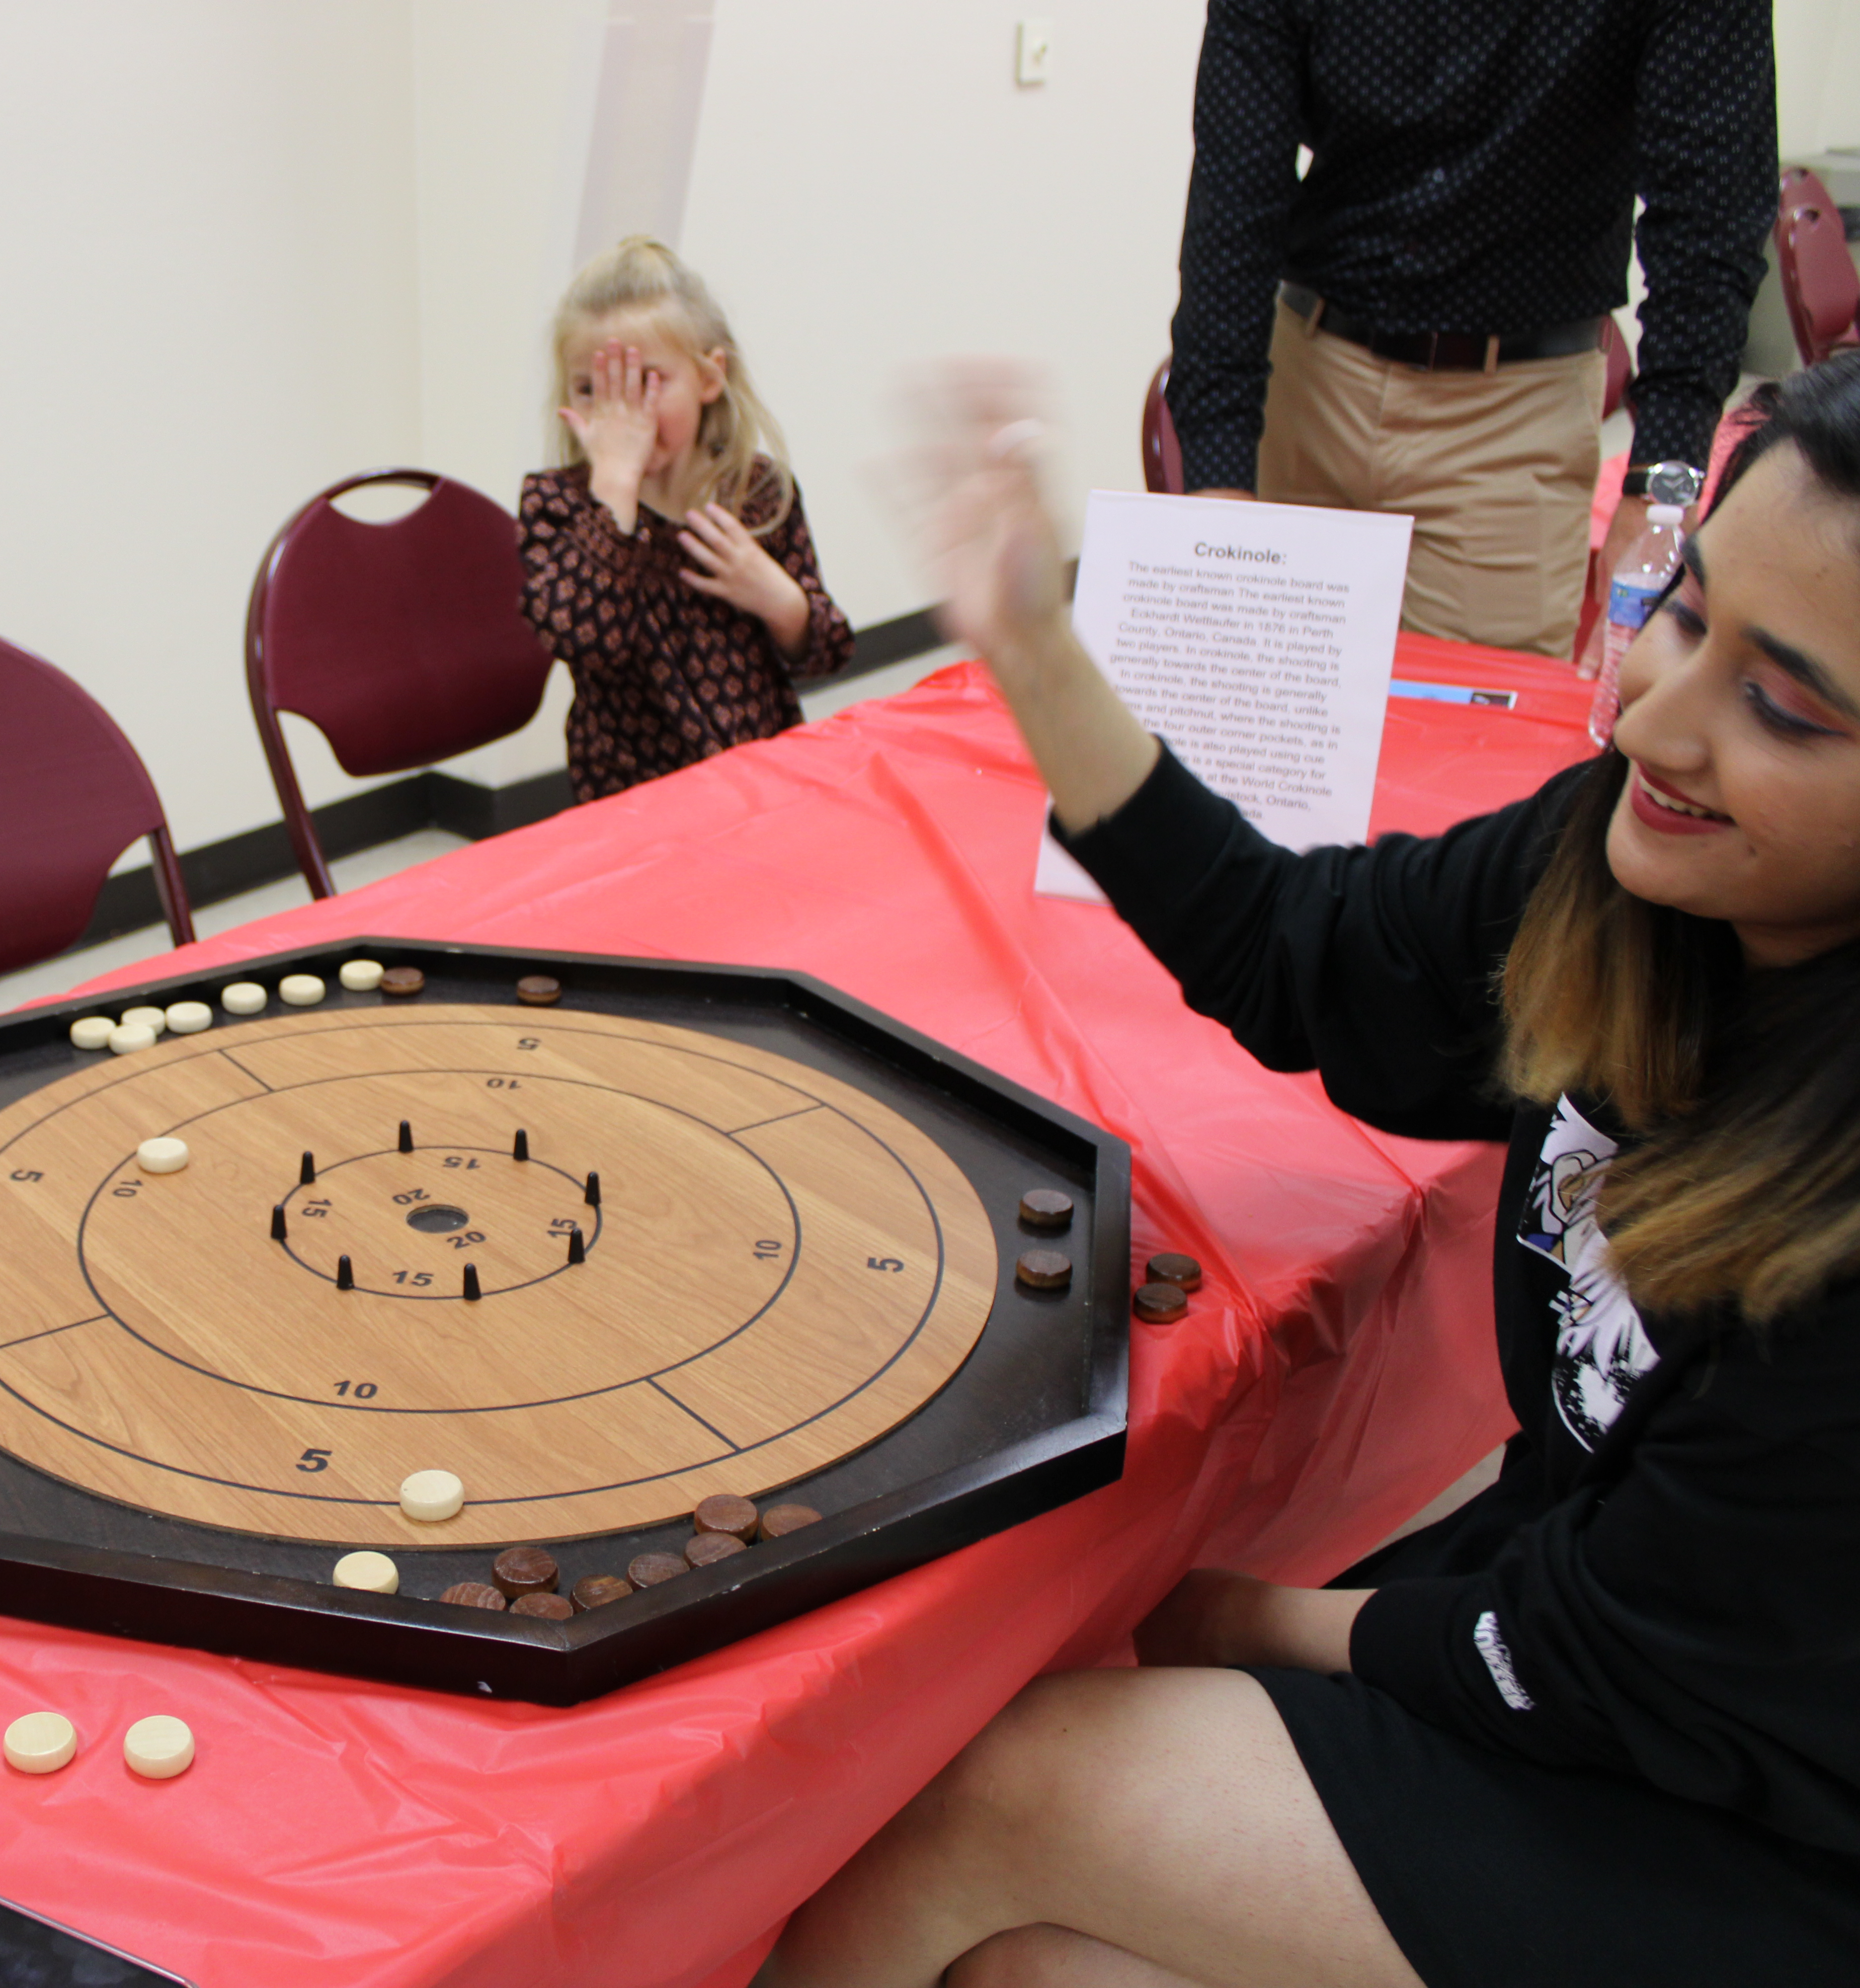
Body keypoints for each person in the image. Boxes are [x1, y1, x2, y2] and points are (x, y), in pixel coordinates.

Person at [758, 360, 1860, 1983]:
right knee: (1029, 1967)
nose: (1650, 719)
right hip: (1600, 1658)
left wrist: (1249, 1615)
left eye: (1787, 706)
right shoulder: (1629, 872)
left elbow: (1609, 1662)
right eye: (1684, 615)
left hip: (1753, 1827)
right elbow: (1304, 955)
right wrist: (1038, 646)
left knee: (994, 1795)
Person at [1165, 0, 1775, 660]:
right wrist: (1218, 479)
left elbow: (1711, 215)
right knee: (1265, 710)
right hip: (1312, 383)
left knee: (1473, 742)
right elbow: (1233, 197)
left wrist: (1660, 493)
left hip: (1512, 417)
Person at [519, 237, 853, 803]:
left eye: (646, 382)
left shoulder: (759, 493)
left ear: (709, 377)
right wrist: (615, 494)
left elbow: (829, 651)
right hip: (637, 801)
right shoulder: (558, 503)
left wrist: (779, 599)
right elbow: (581, 639)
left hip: (764, 784)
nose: (620, 412)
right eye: (589, 389)